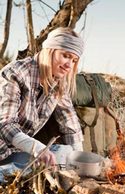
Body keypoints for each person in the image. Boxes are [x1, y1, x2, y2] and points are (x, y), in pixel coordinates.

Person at [0, 27, 84, 174]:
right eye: (65, 55)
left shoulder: (58, 82)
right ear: (50, 50)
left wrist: (81, 160)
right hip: (3, 150)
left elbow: (69, 122)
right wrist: (38, 149)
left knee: (66, 154)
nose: (69, 65)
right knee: (36, 172)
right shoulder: (16, 73)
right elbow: (5, 125)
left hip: (14, 152)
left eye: (74, 60)